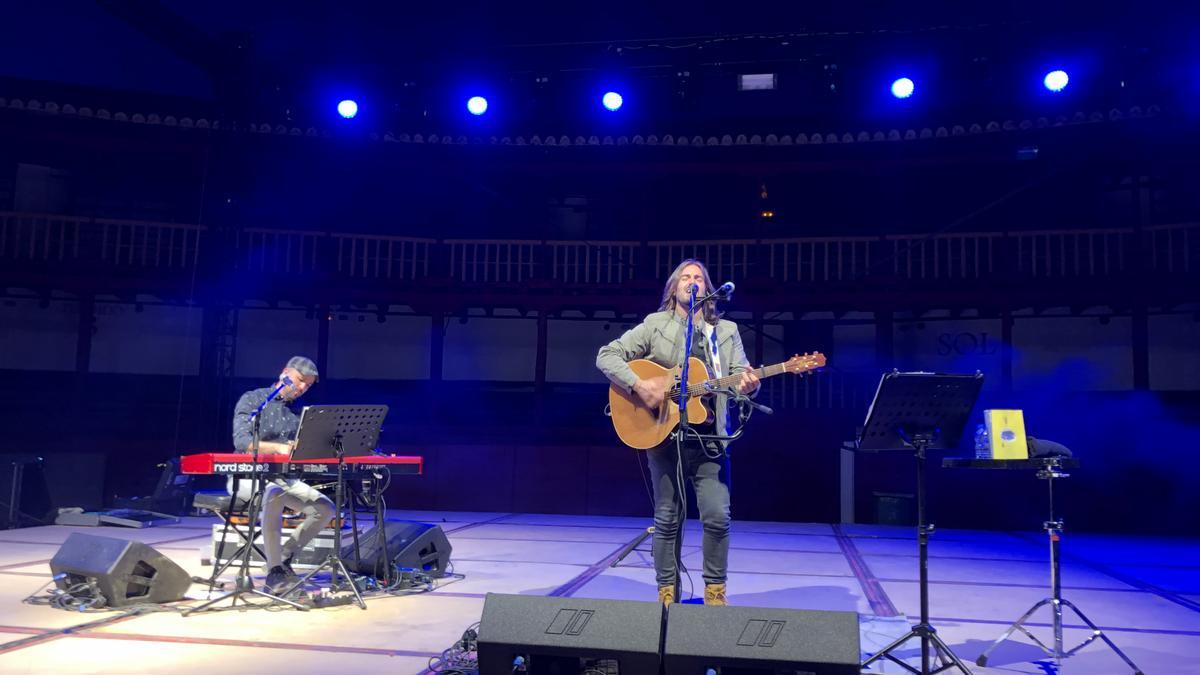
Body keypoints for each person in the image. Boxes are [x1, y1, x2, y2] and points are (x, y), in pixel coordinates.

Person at [596, 259, 759, 607]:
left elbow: (738, 380)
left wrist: (748, 385)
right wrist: (640, 386)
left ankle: (715, 592)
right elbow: (607, 355)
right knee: (667, 516)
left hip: (711, 439)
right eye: (685, 277)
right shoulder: (655, 325)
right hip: (663, 434)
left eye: (698, 277)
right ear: (673, 288)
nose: (692, 281)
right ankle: (666, 593)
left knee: (717, 515)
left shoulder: (726, 331)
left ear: (708, 288)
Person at [230, 356, 336, 592]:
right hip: (246, 478)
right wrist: (279, 447)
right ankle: (274, 571)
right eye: (299, 381)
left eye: (307, 386)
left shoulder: (297, 414)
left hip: (282, 480)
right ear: (285, 373)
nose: (301, 389)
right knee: (274, 491)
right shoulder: (253, 399)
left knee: (326, 508)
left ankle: (285, 556)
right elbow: (242, 441)